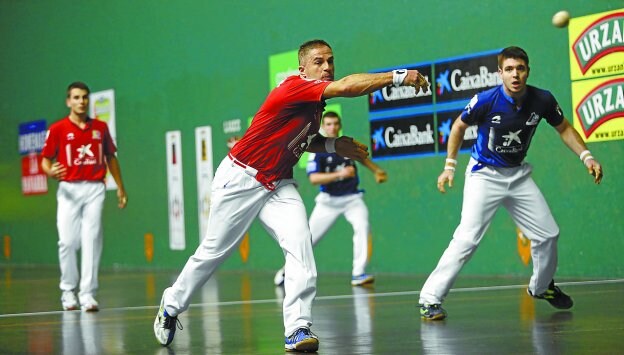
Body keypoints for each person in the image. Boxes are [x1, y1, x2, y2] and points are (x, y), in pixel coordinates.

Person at [153, 39, 429, 352]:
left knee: (301, 245)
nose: (326, 67)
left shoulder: (314, 106)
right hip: (241, 177)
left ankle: (298, 328)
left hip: (278, 182)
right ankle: (171, 304)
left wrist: (334, 146)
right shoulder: (295, 87)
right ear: (303, 68)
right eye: (318, 61)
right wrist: (397, 76)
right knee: (213, 252)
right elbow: (348, 87)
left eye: (330, 61)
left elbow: (305, 139)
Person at [418, 46, 603, 321]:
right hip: (484, 175)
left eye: (520, 68)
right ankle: (429, 299)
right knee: (467, 238)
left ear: (527, 71)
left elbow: (563, 127)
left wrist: (586, 157)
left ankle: (541, 288)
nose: (515, 74)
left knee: (548, 234)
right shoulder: (485, 100)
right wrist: (449, 167)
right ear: (500, 73)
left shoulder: (542, 100)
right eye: (509, 69)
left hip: (517, 176)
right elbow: (458, 126)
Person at [273, 111, 387, 288]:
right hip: (328, 202)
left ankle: (358, 273)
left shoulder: (347, 145)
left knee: (362, 226)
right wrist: (341, 173)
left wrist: (376, 170)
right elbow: (314, 179)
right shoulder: (317, 151)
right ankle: (286, 271)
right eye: (328, 124)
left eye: (335, 124)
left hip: (352, 199)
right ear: (323, 127)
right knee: (308, 240)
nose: (332, 127)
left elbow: (361, 158)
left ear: (339, 125)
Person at [41, 81, 128, 312]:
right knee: (67, 241)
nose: (81, 101)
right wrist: (50, 171)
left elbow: (111, 157)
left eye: (84, 98)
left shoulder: (100, 128)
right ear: (69, 101)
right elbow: (45, 159)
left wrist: (120, 187)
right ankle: (68, 290)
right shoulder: (58, 129)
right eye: (76, 98)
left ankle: (87, 293)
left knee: (92, 239)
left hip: (94, 188)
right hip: (68, 189)